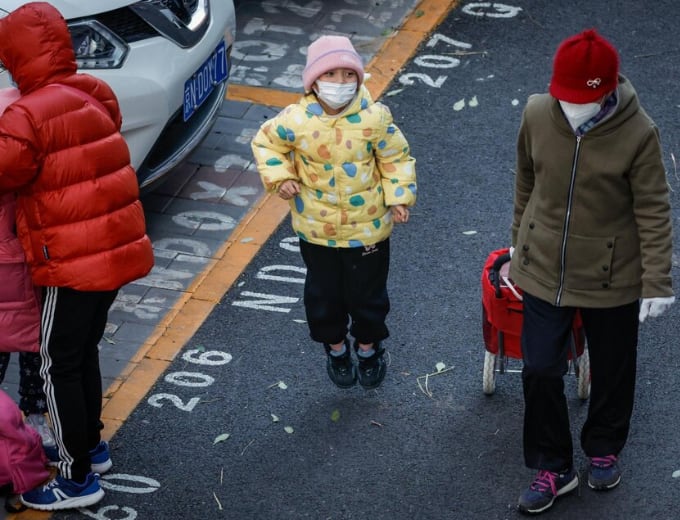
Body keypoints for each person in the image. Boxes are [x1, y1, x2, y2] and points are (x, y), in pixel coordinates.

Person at [509, 29, 674, 515]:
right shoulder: (538, 112)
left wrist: (657, 280)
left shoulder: (639, 132)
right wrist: (520, 238)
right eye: (565, 97)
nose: (571, 107)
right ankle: (553, 466)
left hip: (613, 275)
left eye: (583, 99)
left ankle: (603, 445)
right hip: (542, 267)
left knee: (614, 367)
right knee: (539, 367)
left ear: (606, 91)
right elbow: (525, 178)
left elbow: (653, 209)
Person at [0, 2, 154, 511]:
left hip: (70, 260)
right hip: (114, 250)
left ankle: (75, 477)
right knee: (83, 352)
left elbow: (8, 170)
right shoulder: (93, 89)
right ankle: (91, 445)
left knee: (55, 364)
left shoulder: (26, 112)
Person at [251, 35, 416, 390]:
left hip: (369, 228)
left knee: (368, 295)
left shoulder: (375, 117)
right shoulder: (296, 121)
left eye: (348, 75)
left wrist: (399, 196)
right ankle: (337, 348)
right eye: (330, 75)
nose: (340, 84)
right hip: (316, 230)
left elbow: (395, 158)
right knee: (323, 296)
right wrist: (281, 178)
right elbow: (266, 144)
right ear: (313, 82)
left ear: (359, 78)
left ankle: (369, 348)